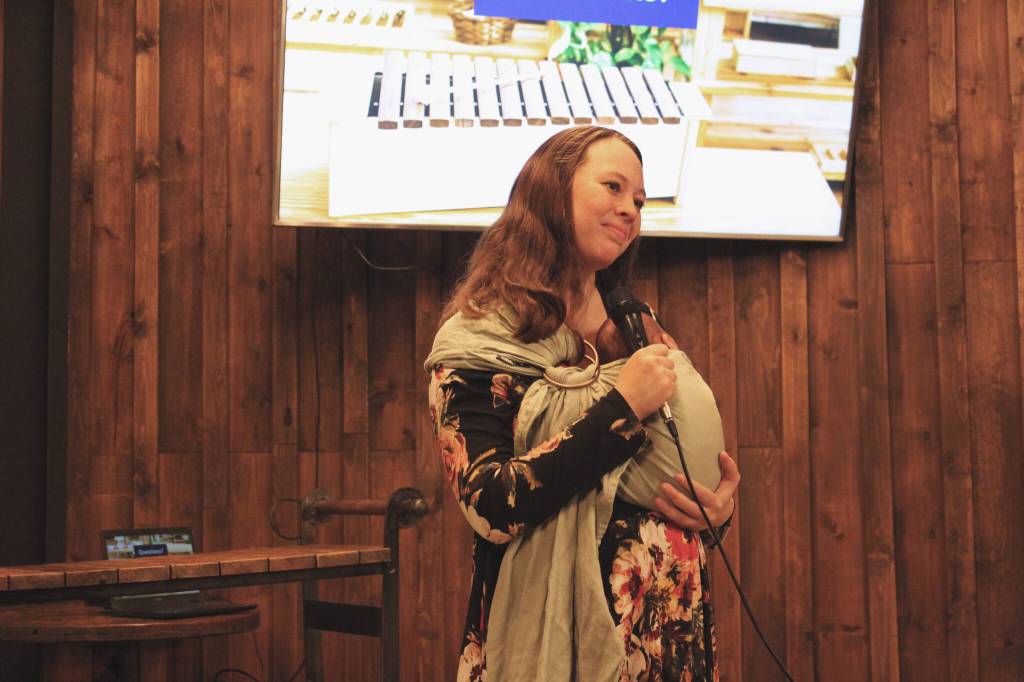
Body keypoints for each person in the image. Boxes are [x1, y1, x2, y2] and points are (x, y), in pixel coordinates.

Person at [425, 126, 740, 681]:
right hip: (557, 642)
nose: (630, 210)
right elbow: (491, 505)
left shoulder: (632, 321)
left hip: (663, 624)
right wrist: (619, 407)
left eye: (639, 201)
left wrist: (716, 511)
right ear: (552, 192)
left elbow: (674, 450)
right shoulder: (479, 336)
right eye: (613, 187)